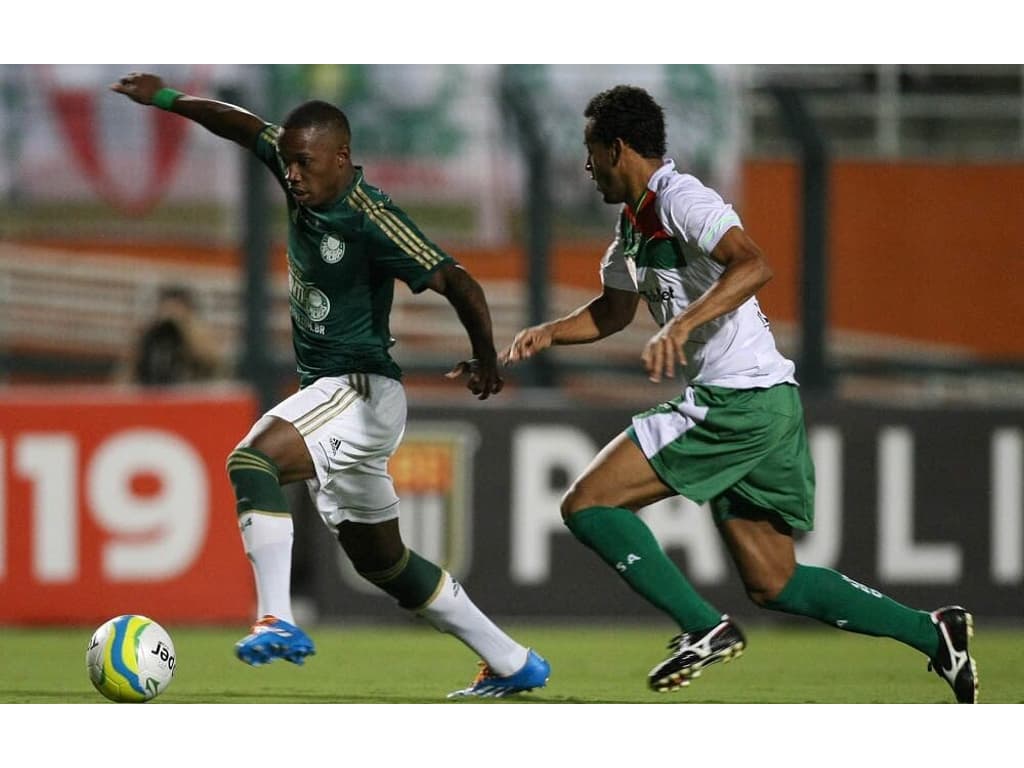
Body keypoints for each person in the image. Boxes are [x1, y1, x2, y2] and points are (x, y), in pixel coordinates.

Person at [501, 84, 977, 703]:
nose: (586, 167)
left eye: (591, 152)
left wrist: (681, 323)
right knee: (775, 582)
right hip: (768, 401)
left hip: (737, 400)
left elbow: (753, 263)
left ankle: (704, 627)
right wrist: (547, 334)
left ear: (618, 148)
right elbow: (613, 313)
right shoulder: (634, 227)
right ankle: (936, 634)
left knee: (588, 504)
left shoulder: (682, 198)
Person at [111, 72, 550, 699]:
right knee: (384, 564)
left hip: (360, 389)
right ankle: (512, 661)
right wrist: (166, 98)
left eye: (305, 163)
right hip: (336, 396)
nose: (292, 175)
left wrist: (486, 360)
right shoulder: (297, 171)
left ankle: (276, 618)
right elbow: (237, 124)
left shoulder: (371, 217)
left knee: (251, 459)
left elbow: (460, 282)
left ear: (341, 157)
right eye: (287, 162)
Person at [115, 283, 223, 386]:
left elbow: (212, 361)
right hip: (151, 397)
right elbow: (122, 382)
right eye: (167, 310)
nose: (171, 315)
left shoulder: (198, 334)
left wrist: (183, 325)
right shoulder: (150, 336)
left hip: (189, 397)